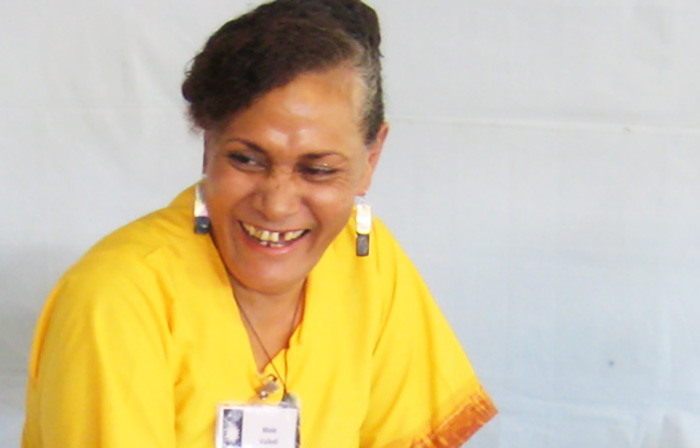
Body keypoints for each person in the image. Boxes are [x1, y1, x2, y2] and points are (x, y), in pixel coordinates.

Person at [22, 0, 496, 446]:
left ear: (371, 158)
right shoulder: (115, 297)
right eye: (248, 160)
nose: (276, 204)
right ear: (209, 146)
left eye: (318, 169)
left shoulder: (366, 261)